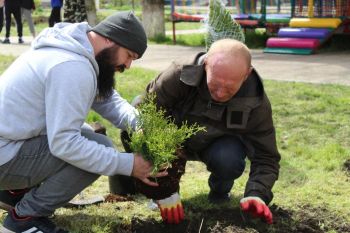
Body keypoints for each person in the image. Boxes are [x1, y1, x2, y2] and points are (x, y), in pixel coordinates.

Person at [0, 11, 167, 233]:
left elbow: (108, 100)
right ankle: (24, 217)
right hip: (4, 157)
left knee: (87, 133)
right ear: (110, 39)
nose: (128, 66)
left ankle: (13, 193)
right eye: (128, 55)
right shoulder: (72, 67)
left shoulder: (73, 48)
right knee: (99, 148)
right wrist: (129, 164)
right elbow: (65, 144)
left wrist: (139, 123)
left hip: (8, 145)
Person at [117, 38, 281, 225]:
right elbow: (144, 116)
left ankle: (220, 191)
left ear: (246, 75)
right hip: (173, 139)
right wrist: (163, 189)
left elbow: (266, 157)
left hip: (216, 146)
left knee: (229, 158)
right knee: (140, 122)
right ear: (205, 65)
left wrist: (257, 194)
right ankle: (163, 193)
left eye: (229, 87)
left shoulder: (255, 101)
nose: (220, 93)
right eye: (215, 84)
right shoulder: (179, 74)